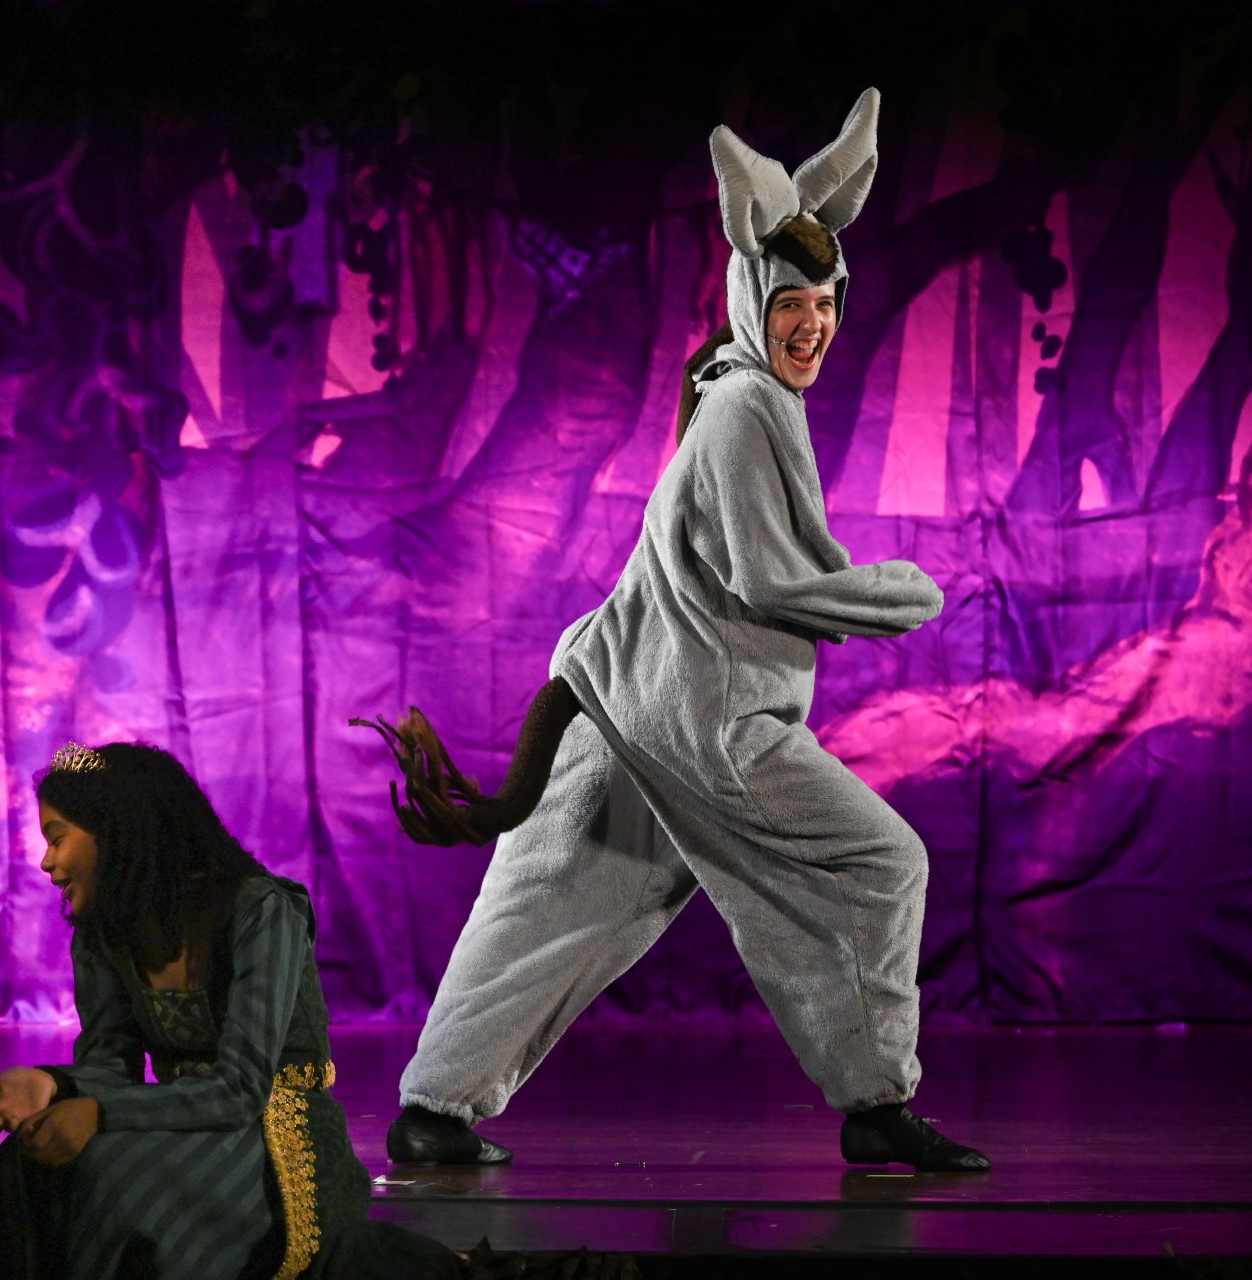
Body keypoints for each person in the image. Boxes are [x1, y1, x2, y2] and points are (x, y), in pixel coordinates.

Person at [364, 89, 990, 1174]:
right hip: (704, 721)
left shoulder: (733, 385)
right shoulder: (746, 405)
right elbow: (768, 576)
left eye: (827, 302)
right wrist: (897, 594)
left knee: (562, 895)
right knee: (882, 862)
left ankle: (433, 1108)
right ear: (754, 297)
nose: (812, 324)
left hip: (620, 693)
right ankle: (874, 1099)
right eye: (792, 302)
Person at [0, 742, 458, 1279]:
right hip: (180, 1120)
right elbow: (110, 1067)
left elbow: (242, 1087)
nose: (46, 862)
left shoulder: (261, 912)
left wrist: (99, 1114)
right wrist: (52, 1084)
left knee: (116, 1186)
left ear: (116, 832)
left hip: (274, 1134)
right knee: (26, 1166)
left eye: (57, 838)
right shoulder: (105, 931)